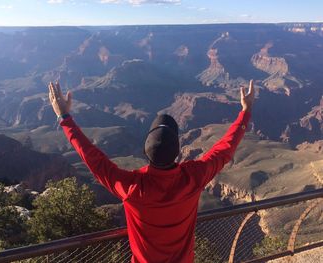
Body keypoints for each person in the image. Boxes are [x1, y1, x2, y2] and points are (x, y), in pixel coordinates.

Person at [48, 80, 255, 263]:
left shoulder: (132, 187)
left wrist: (64, 117)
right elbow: (224, 150)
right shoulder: (193, 177)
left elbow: (93, 159)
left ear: (146, 150)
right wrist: (245, 112)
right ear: (177, 151)